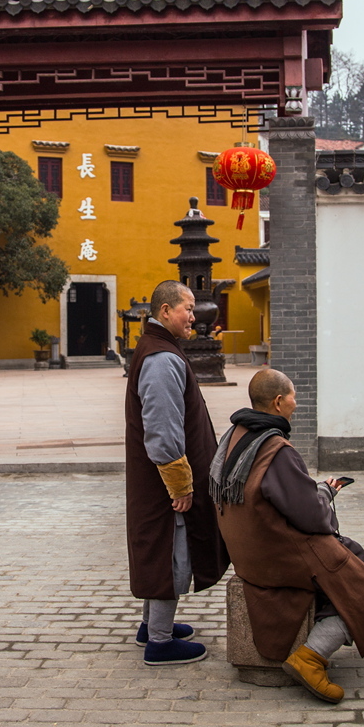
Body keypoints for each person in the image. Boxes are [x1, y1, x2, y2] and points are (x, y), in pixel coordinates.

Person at [211, 368, 364, 703]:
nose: (297, 403)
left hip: (248, 550)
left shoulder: (235, 435)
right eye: (294, 396)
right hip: (276, 555)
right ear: (279, 401)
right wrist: (325, 495)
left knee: (351, 551)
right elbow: (311, 517)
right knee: (352, 577)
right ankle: (311, 656)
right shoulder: (275, 449)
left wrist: (316, 492)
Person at [125, 280, 230, 665]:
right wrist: (180, 484)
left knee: (160, 547)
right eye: (187, 307)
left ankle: (150, 624)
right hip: (164, 483)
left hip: (156, 481)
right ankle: (160, 640)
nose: (194, 315)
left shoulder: (161, 349)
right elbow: (163, 429)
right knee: (170, 548)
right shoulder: (161, 359)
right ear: (165, 311)